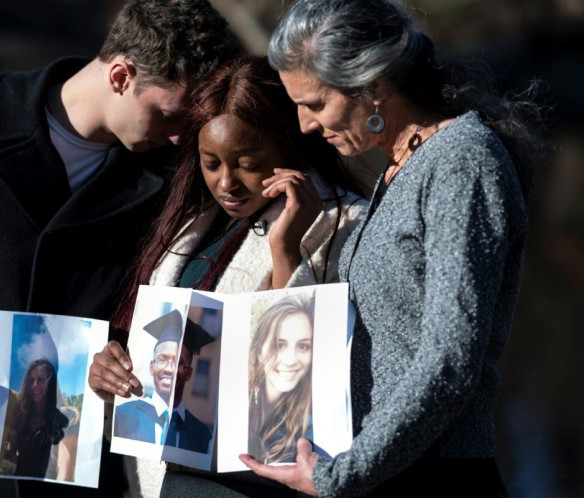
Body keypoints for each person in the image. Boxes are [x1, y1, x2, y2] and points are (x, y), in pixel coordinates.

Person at [0, 1, 239, 496]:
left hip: (82, 466)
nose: (182, 133)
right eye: (169, 114)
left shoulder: (171, 166)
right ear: (121, 75)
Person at [237, 0, 554, 496]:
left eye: (315, 104)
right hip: (385, 468)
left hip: (434, 473)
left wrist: (342, 475)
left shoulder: (461, 163)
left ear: (376, 87)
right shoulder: (402, 165)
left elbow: (449, 358)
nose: (304, 125)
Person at [89, 55, 368, 497]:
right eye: (211, 162)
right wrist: (112, 376)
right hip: (165, 483)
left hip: (256, 486)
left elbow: (294, 381)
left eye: (247, 162)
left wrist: (285, 251)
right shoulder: (193, 225)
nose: (226, 184)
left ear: (289, 147)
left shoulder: (348, 224)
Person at [114, 309, 214, 453]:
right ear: (151, 367)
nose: (169, 369)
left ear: (189, 373)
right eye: (162, 360)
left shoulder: (202, 435)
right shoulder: (123, 415)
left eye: (178, 363)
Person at [248, 294, 314, 465]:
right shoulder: (239, 401)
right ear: (259, 350)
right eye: (280, 345)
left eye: (303, 346)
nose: (291, 360)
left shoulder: (311, 424)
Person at [0, 358, 69, 479]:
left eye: (41, 380)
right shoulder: (19, 413)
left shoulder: (61, 419)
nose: (35, 385)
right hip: (17, 483)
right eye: (31, 380)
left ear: (51, 383)